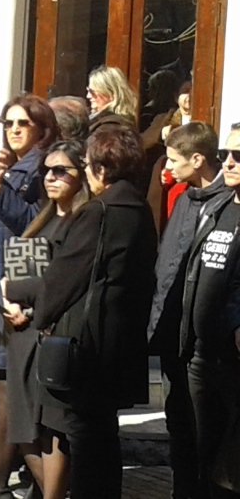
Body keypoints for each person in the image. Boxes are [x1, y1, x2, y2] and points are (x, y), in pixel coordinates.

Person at [3, 126, 157, 499]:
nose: (87, 172)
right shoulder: (139, 209)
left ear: (102, 169)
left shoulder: (98, 212)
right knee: (103, 436)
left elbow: (63, 279)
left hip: (87, 346)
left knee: (84, 439)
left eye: (87, 165)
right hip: (119, 341)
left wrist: (16, 292)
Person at [2, 140, 90, 499]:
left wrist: (15, 291)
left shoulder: (82, 222)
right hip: (22, 333)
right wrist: (9, 300)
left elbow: (59, 283)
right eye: (46, 171)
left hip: (50, 334)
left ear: (81, 175)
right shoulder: (44, 217)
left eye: (60, 171)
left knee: (49, 430)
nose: (50, 178)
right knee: (23, 429)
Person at [146, 122, 229, 499]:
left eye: (172, 160)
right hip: (172, 334)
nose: (166, 167)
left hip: (203, 339)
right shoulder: (183, 199)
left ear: (197, 160)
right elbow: (168, 266)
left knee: (205, 430)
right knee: (178, 424)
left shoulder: (227, 203)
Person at [0, 94, 58, 498]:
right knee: (2, 386)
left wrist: (0, 187)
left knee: (9, 393)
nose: (12, 130)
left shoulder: (43, 168)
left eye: (22, 123)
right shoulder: (14, 166)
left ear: (42, 129)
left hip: (19, 290)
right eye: (7, 123)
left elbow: (36, 227)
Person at [174, 124, 240, 498]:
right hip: (200, 355)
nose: (228, 162)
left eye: (238, 156)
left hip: (234, 360)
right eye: (226, 154)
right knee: (203, 454)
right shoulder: (218, 207)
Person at [87, 66, 138, 133]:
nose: (88, 96)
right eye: (88, 90)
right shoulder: (101, 121)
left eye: (92, 92)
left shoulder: (110, 128)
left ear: (111, 94)